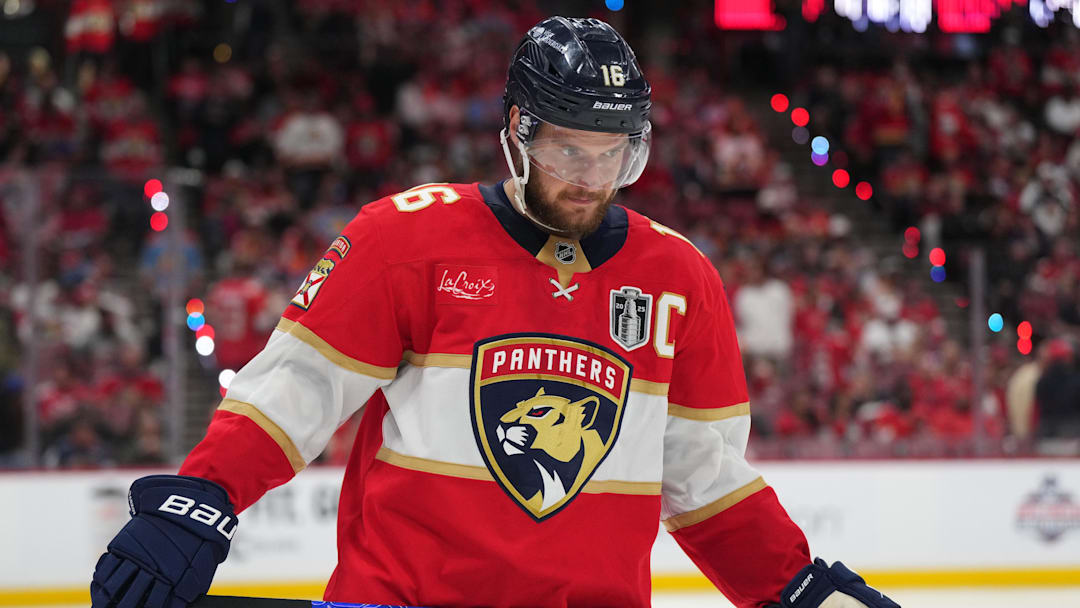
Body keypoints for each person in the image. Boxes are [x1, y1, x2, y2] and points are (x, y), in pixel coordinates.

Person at [91, 17, 899, 608]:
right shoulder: (404, 239)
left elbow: (703, 473)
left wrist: (791, 586)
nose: (589, 176)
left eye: (611, 153)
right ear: (518, 131)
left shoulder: (678, 275)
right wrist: (199, 501)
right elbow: (295, 390)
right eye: (565, 150)